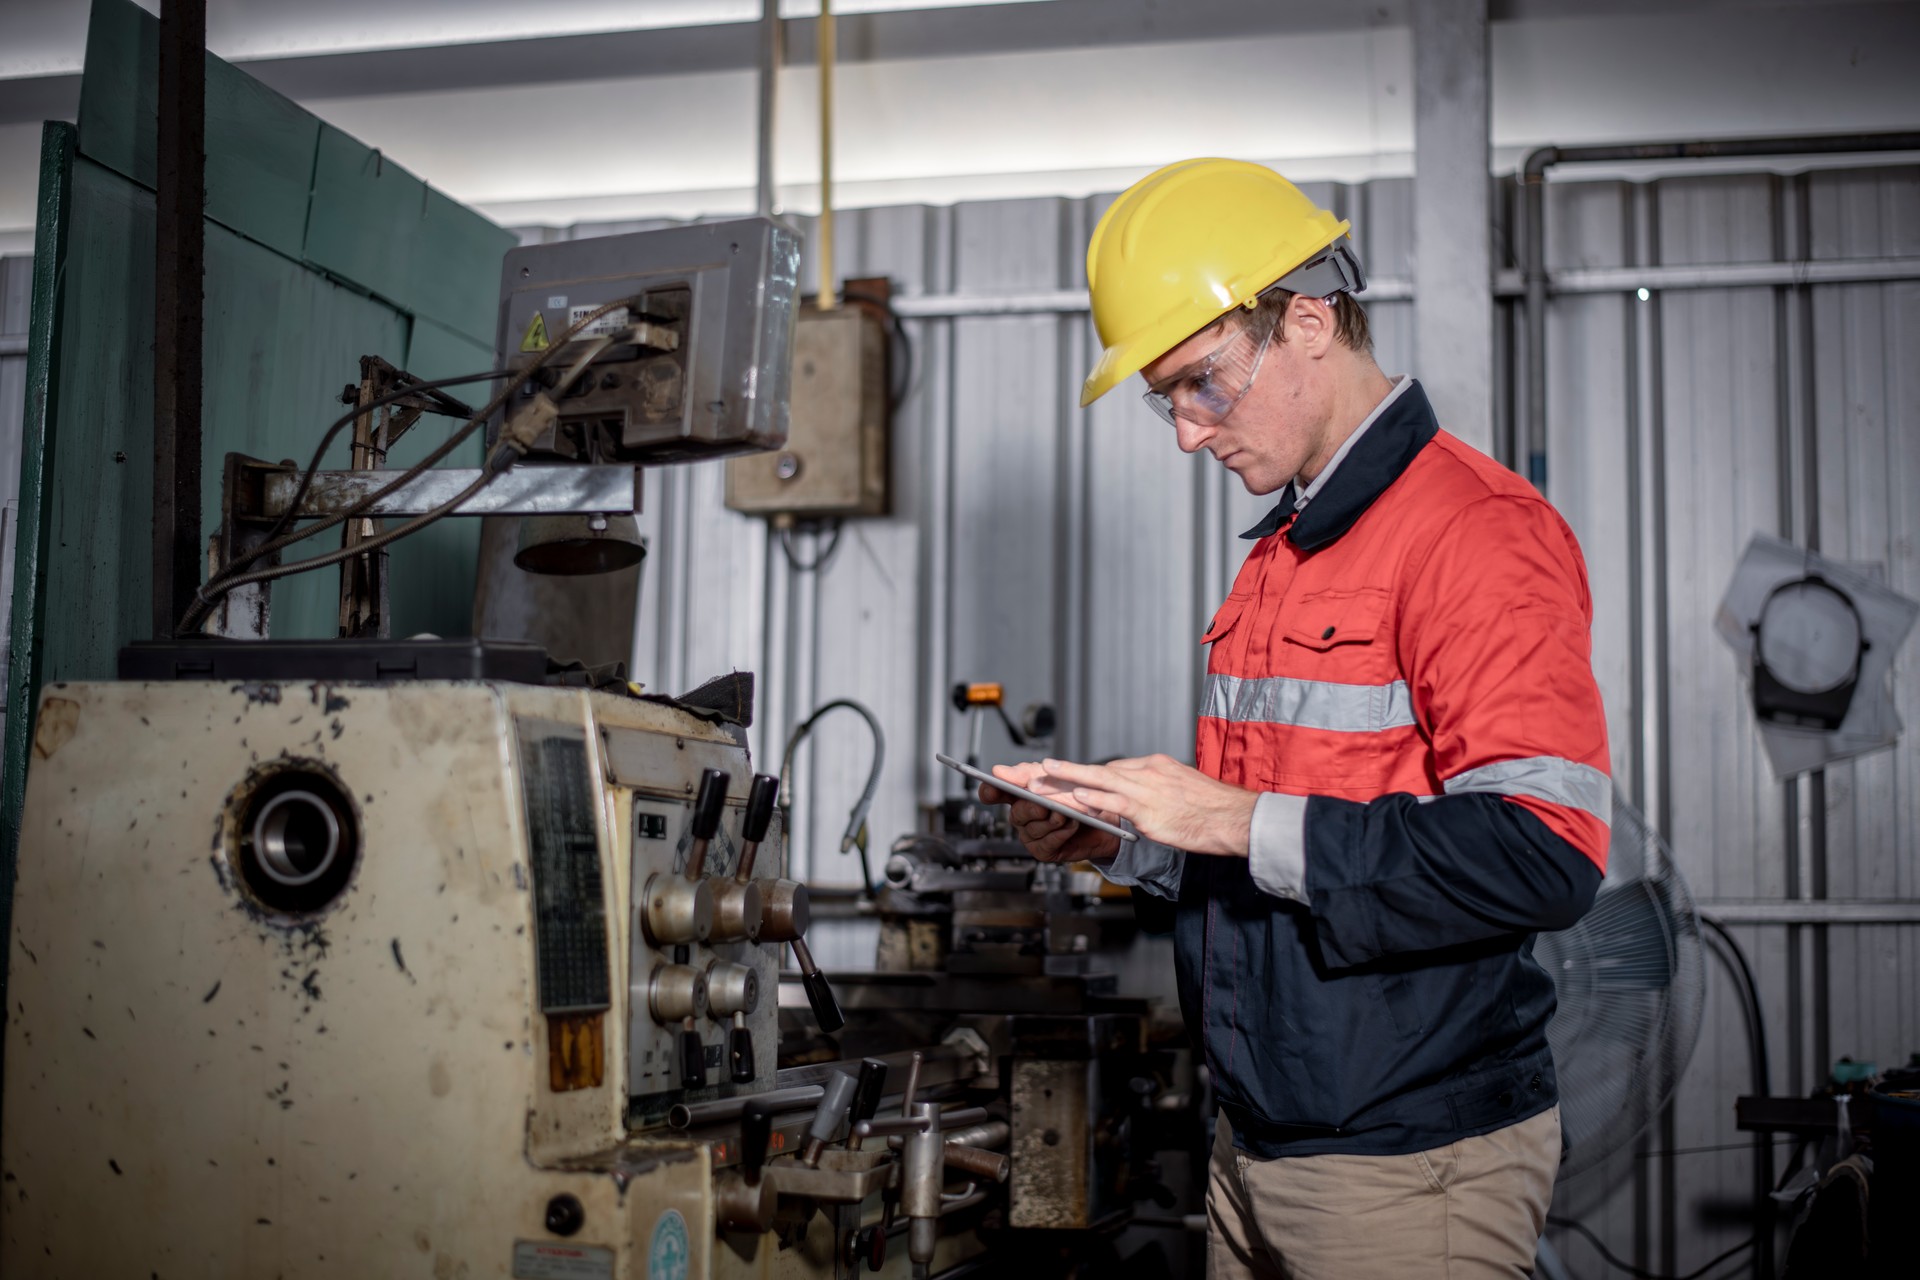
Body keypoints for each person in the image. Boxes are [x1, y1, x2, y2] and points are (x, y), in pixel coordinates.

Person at [980, 158, 1611, 1279]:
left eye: (1202, 382)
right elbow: (1278, 845)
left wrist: (1224, 819)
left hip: (1405, 1166)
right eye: (1163, 397)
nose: (1185, 431)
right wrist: (1130, 839)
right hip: (1253, 1143)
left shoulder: (1475, 533)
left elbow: (1543, 855)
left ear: (1309, 323)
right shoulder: (1284, 551)